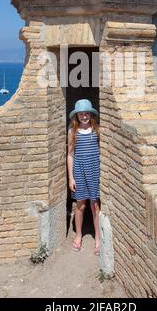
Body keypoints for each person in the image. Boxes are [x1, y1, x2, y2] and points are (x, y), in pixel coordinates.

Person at [67, 99, 100, 255]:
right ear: (77, 116)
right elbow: (70, 155)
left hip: (94, 171)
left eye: (87, 113)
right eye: (81, 114)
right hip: (80, 172)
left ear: (91, 115)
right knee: (81, 206)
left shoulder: (97, 130)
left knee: (95, 206)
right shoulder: (72, 132)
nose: (84, 116)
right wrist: (71, 178)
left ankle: (98, 239)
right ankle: (79, 235)